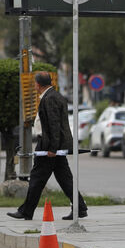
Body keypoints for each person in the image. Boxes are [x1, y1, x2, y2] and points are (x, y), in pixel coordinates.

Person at [8, 71, 87, 221]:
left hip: (49, 145)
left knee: (37, 178)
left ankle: (26, 211)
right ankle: (80, 208)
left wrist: (52, 148)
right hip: (54, 145)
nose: (34, 86)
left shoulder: (49, 99)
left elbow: (54, 125)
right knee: (65, 179)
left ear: (38, 84)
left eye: (35, 84)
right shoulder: (55, 96)